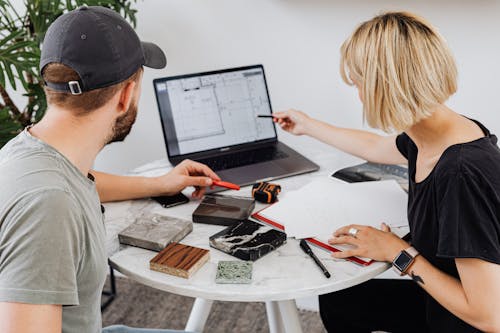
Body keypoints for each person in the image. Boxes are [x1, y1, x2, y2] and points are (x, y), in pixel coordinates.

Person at [273, 12, 500, 333]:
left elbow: (490, 316)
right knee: (340, 299)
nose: (360, 95)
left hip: (465, 320)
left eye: (359, 84)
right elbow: (378, 148)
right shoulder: (438, 129)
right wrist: (307, 125)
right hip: (444, 301)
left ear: (386, 86)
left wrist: (397, 252)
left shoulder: (460, 173)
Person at [0, 6, 219, 333]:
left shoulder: (30, 153)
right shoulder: (48, 207)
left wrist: (161, 183)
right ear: (126, 95)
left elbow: (78, 184)